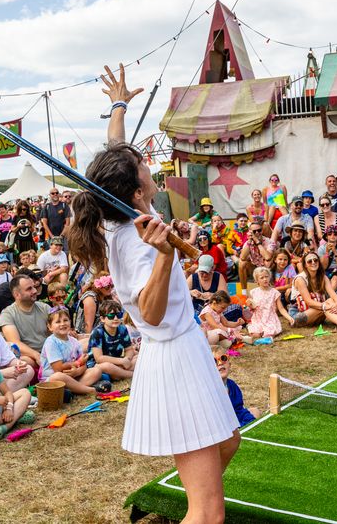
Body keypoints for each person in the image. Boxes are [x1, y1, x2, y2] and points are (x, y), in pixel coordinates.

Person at [67, 63, 239, 523]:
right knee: (209, 515)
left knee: (229, 442)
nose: (147, 161)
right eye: (143, 164)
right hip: (176, 356)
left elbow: (115, 150)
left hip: (187, 351)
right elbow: (151, 313)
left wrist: (119, 105)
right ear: (138, 187)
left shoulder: (120, 211)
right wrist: (165, 255)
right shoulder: (139, 242)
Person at [41, 306, 111, 394]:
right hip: (52, 379)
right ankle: (89, 390)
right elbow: (58, 369)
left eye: (65, 320)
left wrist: (77, 372)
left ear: (70, 322)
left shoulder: (74, 341)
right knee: (58, 376)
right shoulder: (51, 342)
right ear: (50, 327)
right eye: (58, 322)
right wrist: (77, 363)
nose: (62, 324)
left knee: (96, 371)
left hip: (72, 377)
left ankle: (72, 389)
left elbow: (84, 365)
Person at [0, 273, 50, 368]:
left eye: (34, 287)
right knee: (26, 362)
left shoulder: (45, 307)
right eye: (29, 289)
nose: (34, 291)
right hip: (29, 356)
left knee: (83, 342)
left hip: (50, 350)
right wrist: (36, 355)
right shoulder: (7, 314)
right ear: (17, 295)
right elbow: (15, 343)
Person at [86, 299, 136, 381]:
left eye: (119, 315)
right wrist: (121, 361)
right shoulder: (97, 332)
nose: (116, 318)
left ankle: (118, 374)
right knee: (106, 366)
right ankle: (131, 374)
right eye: (111, 316)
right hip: (97, 365)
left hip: (117, 362)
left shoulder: (122, 329)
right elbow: (99, 358)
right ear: (102, 319)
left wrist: (127, 359)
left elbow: (129, 349)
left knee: (137, 357)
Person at [247, 266, 294, 337]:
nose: (265, 279)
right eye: (262, 278)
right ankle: (257, 331)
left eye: (266, 276)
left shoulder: (274, 292)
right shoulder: (253, 292)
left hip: (270, 318)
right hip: (258, 319)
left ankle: (265, 332)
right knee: (254, 333)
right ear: (257, 280)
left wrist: (289, 318)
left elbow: (281, 308)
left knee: (270, 332)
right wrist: (250, 306)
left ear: (270, 277)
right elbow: (251, 306)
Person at [288, 252, 332, 326]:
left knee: (331, 302)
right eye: (309, 261)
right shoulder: (300, 279)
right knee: (327, 307)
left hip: (316, 310)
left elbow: (333, 295)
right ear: (305, 265)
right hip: (299, 314)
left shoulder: (323, 277)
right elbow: (309, 302)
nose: (313, 262)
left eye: (315, 260)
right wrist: (326, 306)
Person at [215, 352, 257, 428]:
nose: (220, 363)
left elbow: (239, 410)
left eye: (223, 358)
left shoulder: (232, 385)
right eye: (214, 361)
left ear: (229, 365)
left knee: (255, 412)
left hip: (235, 423)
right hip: (221, 428)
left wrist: (250, 420)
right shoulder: (210, 391)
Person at [237, 221, 275, 297]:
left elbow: (267, 257)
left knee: (268, 262)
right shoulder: (248, 242)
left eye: (259, 230)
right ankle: (244, 292)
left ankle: (268, 287)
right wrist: (250, 241)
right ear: (250, 233)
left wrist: (257, 242)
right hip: (254, 267)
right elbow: (242, 257)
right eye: (254, 231)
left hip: (267, 268)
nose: (257, 233)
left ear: (262, 230)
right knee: (241, 263)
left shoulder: (269, 241)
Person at [74, 272, 115, 337]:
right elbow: (88, 325)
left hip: (100, 335)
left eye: (112, 286)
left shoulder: (106, 297)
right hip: (84, 336)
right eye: (107, 287)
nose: (110, 289)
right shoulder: (90, 298)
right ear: (99, 286)